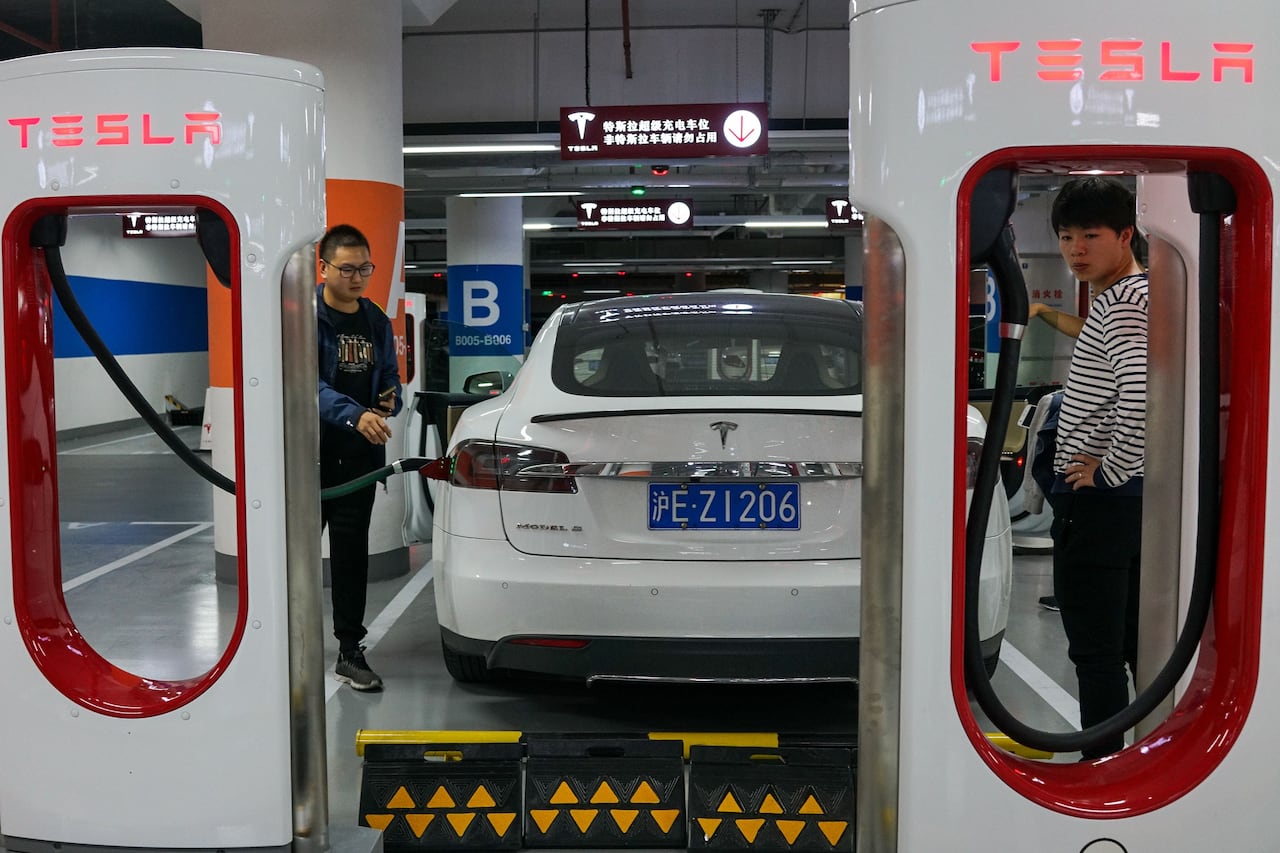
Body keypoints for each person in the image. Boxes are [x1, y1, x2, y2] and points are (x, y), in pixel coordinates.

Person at [1043, 177, 1148, 759]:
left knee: (1097, 649)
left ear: (1125, 235)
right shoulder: (1123, 299)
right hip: (1121, 503)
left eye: (1090, 234)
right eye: (1065, 236)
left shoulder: (1125, 303)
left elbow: (1140, 397)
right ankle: (1132, 758)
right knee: (1128, 640)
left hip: (1103, 504)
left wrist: (1109, 472)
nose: (1075, 249)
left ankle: (1102, 766)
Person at [317, 223, 402, 692]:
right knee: (293, 561)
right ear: (324, 267)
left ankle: (349, 651)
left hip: (358, 463)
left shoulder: (374, 320)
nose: (357, 278)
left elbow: (390, 375)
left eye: (364, 269)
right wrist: (353, 414)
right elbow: (303, 385)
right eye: (347, 269)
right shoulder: (301, 315)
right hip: (308, 462)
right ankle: (289, 644)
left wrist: (388, 400)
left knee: (352, 560)